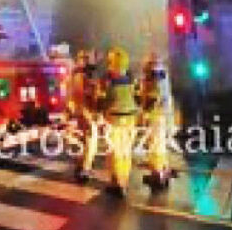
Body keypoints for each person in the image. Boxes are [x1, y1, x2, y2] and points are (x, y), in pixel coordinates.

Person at [103, 46, 139, 197]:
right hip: (130, 118)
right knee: (125, 151)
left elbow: (105, 100)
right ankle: (123, 179)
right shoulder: (131, 78)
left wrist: (101, 114)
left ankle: (117, 183)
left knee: (116, 151)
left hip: (115, 118)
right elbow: (137, 97)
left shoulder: (109, 80)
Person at [139, 53, 174, 190]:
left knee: (155, 144)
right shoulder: (162, 73)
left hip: (156, 114)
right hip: (163, 113)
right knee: (159, 143)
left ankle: (157, 174)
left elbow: (153, 96)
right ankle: (163, 170)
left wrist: (146, 112)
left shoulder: (153, 75)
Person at [72, 50, 103, 183]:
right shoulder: (82, 76)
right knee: (90, 141)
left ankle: (81, 166)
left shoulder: (77, 74)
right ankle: (85, 169)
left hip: (81, 112)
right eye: (86, 59)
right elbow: (89, 95)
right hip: (86, 112)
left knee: (83, 141)